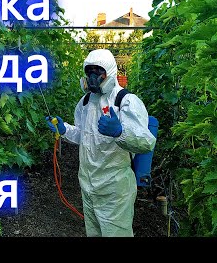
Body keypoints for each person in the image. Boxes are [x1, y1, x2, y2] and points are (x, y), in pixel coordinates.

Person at [46, 49, 156, 237]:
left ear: (110, 72)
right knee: (94, 232)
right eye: (89, 71)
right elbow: (84, 136)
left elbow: (146, 142)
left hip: (115, 191)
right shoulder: (85, 102)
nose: (93, 76)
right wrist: (65, 130)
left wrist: (120, 132)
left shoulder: (126, 101)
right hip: (88, 186)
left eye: (99, 71)